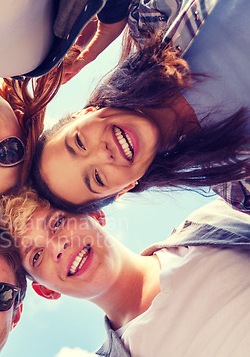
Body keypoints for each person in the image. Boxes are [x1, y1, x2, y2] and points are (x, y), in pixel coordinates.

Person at [0, 188, 250, 357]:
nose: (58, 247)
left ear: (96, 215)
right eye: (37, 255)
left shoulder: (221, 217)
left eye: (58, 222)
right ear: (45, 290)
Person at [30, 0, 250, 215]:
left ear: (85, 113)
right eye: (97, 178)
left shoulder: (152, 17)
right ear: (125, 189)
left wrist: (109, 18)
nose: (102, 154)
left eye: (79, 142)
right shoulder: (240, 185)